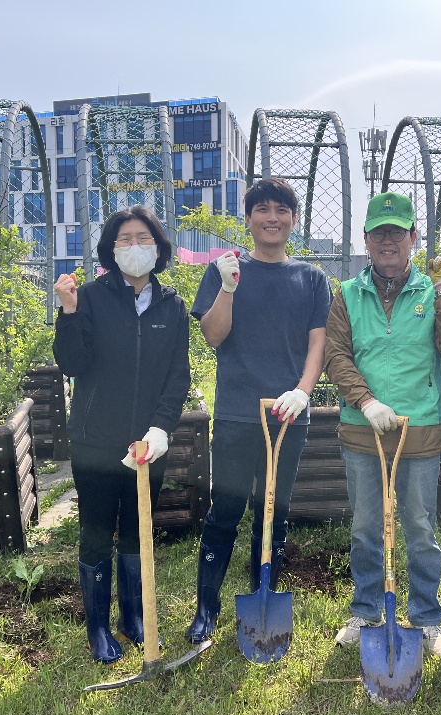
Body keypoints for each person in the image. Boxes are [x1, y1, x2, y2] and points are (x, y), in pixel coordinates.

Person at [186, 178, 332, 643]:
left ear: (293, 218)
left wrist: (303, 391)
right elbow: (213, 336)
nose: (273, 217)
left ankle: (261, 596)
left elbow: (319, 344)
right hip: (236, 413)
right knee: (225, 509)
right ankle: (205, 610)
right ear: (248, 220)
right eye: (263, 209)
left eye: (282, 209)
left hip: (289, 415)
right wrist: (228, 289)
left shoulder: (311, 278)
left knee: (275, 512)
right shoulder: (224, 269)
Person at [325, 191, 441, 658]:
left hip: (420, 427)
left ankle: (426, 618)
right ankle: (366, 610)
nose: (388, 241)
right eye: (378, 232)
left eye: (397, 232)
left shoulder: (433, 290)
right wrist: (365, 401)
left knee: (421, 526)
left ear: (413, 237)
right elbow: (336, 355)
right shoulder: (347, 294)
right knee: (367, 525)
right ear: (366, 240)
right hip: (362, 431)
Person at [52, 205, 191, 663]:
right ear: (111, 249)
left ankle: (135, 617)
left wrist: (161, 429)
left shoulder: (172, 306)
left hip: (147, 443)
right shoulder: (90, 298)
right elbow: (72, 364)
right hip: (95, 441)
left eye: (144, 238)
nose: (135, 246)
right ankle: (98, 628)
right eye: (125, 239)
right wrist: (69, 313)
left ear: (159, 246)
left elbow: (178, 376)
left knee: (138, 530)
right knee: (96, 531)